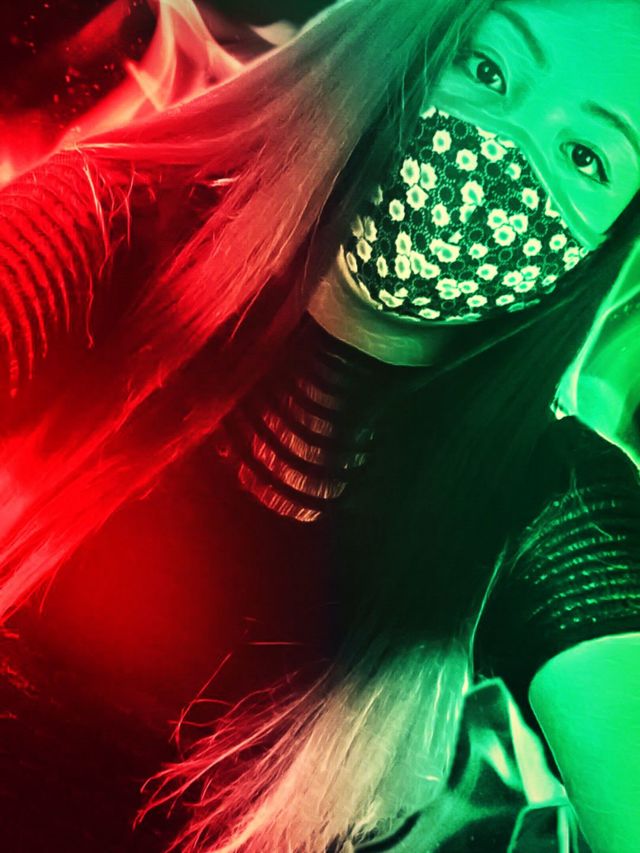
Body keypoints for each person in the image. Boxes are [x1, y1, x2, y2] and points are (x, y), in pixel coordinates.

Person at [0, 0, 639, 850]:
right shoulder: (113, 225)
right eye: (487, 71)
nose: (501, 152)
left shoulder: (556, 505)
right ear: (397, 46)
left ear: (603, 246)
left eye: (587, 157)